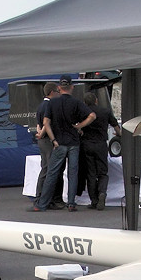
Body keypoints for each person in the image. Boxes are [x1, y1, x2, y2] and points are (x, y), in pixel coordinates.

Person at [29, 75, 91, 212]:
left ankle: (42, 203)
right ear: (72, 87)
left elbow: (46, 123)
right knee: (72, 173)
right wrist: (80, 125)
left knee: (52, 172)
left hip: (59, 143)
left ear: (59, 88)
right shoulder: (76, 102)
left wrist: (53, 139)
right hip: (73, 142)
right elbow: (92, 115)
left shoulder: (52, 103)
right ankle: (71, 203)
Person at [76, 91, 120, 210]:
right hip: (101, 144)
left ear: (84, 102)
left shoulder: (82, 113)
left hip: (87, 144)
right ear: (96, 100)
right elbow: (116, 125)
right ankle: (102, 193)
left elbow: (78, 127)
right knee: (103, 172)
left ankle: (94, 200)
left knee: (91, 173)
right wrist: (119, 134)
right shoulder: (105, 111)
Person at [32, 82, 65, 209]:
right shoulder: (49, 105)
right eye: (57, 91)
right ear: (52, 92)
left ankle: (42, 197)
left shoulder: (41, 105)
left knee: (45, 168)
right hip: (47, 141)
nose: (59, 94)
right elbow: (47, 122)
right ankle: (44, 198)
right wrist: (43, 134)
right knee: (49, 170)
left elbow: (39, 123)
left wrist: (39, 132)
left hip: (42, 141)